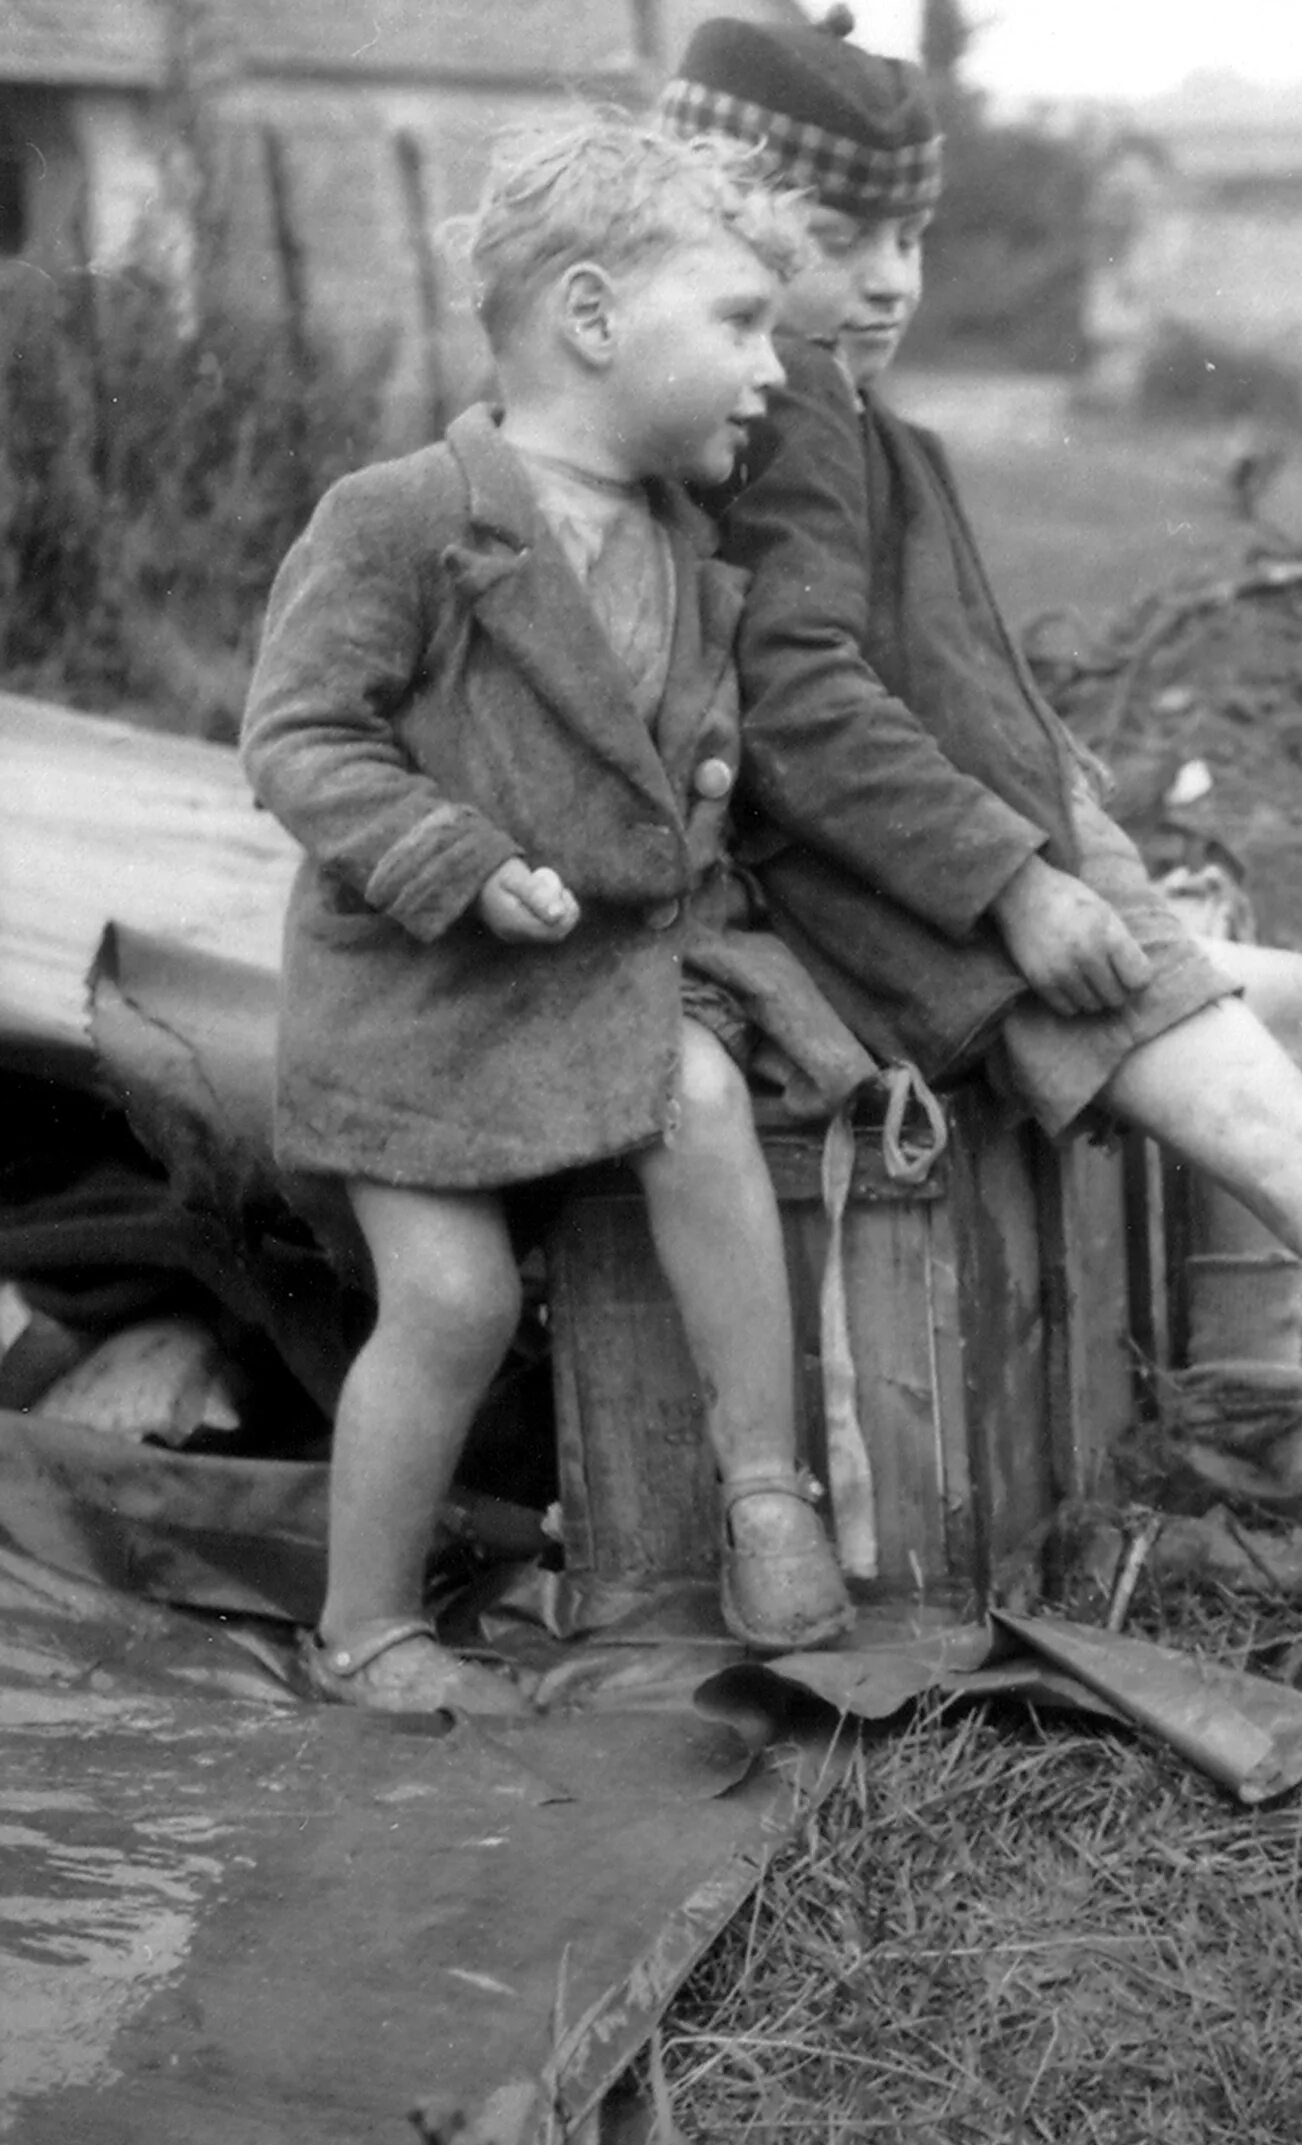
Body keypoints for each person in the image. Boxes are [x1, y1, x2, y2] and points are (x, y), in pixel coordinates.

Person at [654, 15, 1302, 1520]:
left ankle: (1248, 1419)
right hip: (931, 928)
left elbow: (912, 679)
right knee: (1294, 1140)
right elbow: (799, 701)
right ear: (717, 227)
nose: (891, 279)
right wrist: (1014, 883)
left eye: (913, 238)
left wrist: (1066, 804)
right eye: (840, 236)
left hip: (983, 884)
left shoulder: (825, 406)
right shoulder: (797, 404)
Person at [243, 119, 881, 1712]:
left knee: (707, 1101)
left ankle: (762, 1492)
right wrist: (447, 854)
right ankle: (368, 1623)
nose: (772, 370)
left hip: (597, 983)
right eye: (738, 324)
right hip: (419, 1003)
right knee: (452, 1298)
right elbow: (298, 736)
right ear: (594, 321)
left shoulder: (687, 556)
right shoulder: (402, 518)